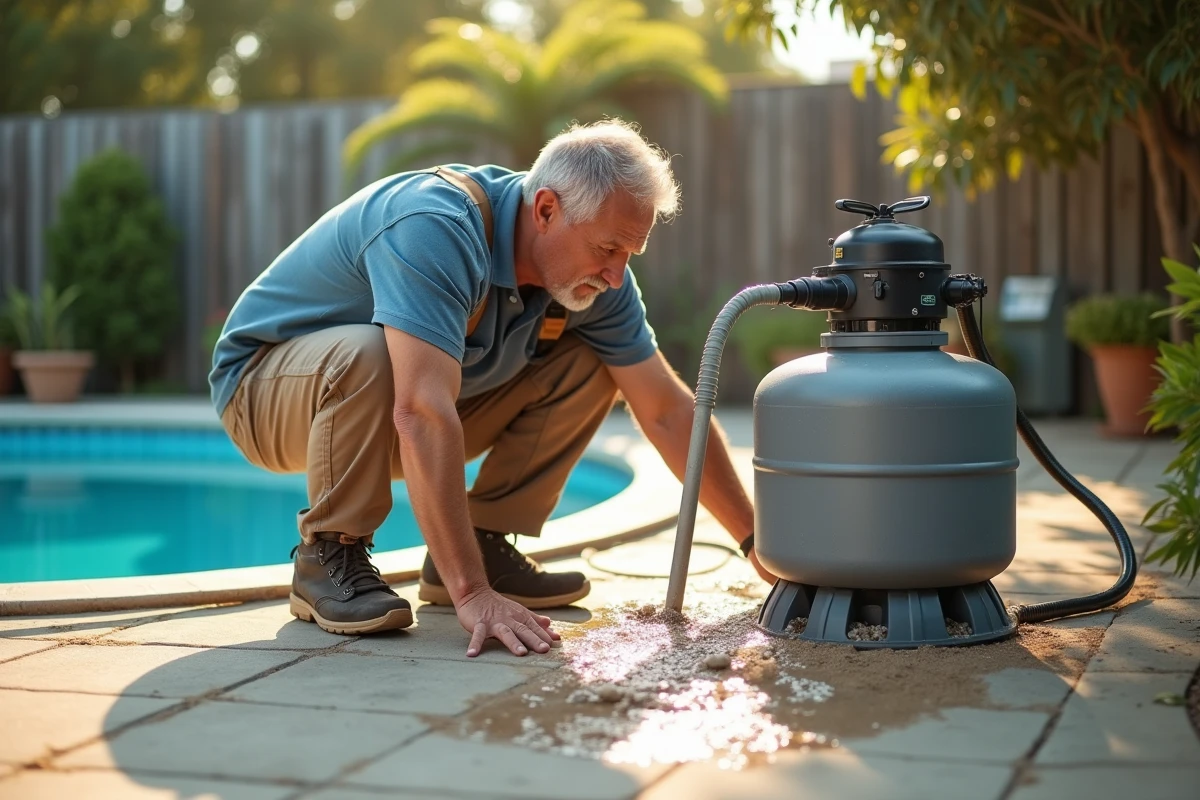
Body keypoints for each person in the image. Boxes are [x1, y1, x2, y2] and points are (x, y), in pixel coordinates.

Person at [210, 119, 771, 659]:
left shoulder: (596, 282)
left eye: (630, 254)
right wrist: (472, 596)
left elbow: (667, 410)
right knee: (373, 349)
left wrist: (756, 544)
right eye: (607, 249)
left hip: (383, 413)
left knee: (594, 362)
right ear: (547, 209)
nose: (617, 275)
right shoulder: (435, 226)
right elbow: (422, 412)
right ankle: (329, 552)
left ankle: (484, 539)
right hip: (264, 394)